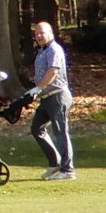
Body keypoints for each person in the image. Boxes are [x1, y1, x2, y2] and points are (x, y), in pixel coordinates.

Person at [27, 18, 74, 180]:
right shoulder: (42, 51)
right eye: (36, 33)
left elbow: (53, 71)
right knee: (37, 128)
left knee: (60, 132)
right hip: (46, 98)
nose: (39, 36)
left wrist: (39, 88)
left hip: (57, 95)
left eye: (42, 33)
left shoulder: (54, 49)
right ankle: (55, 164)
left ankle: (68, 170)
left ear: (50, 33)